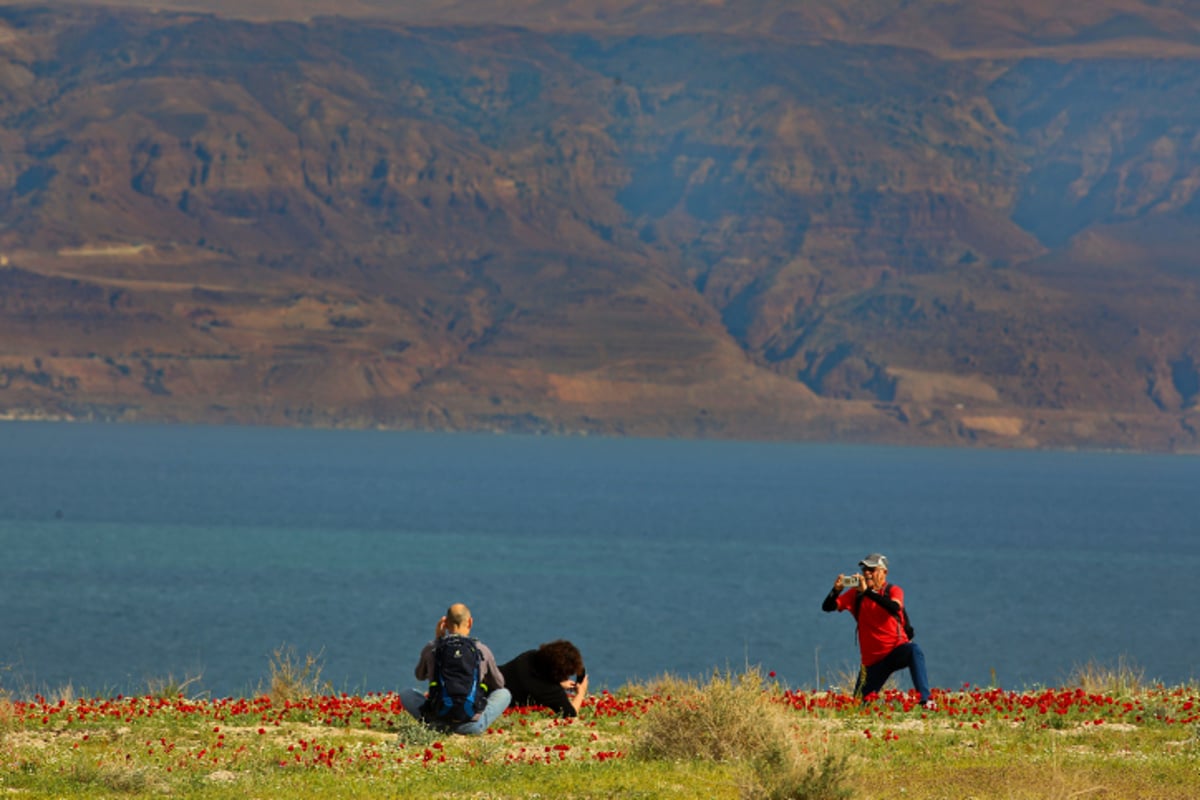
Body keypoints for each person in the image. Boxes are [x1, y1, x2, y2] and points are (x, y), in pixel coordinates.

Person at [821, 553, 935, 710]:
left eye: (872, 569)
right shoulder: (856, 594)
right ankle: (882, 704)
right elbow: (827, 607)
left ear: (884, 572)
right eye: (865, 569)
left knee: (914, 650)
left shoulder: (893, 590)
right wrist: (836, 590)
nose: (867, 572)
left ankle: (925, 699)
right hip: (871, 663)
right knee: (859, 706)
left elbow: (894, 607)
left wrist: (868, 592)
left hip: (895, 651)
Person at [398, 603, 512, 734]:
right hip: (471, 724)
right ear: (470, 622)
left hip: (438, 718)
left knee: (406, 693)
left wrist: (437, 640)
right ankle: (475, 723)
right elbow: (499, 684)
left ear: (445, 623)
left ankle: (433, 724)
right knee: (504, 694)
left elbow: (419, 675)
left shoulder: (432, 648)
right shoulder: (481, 650)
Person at [499, 639, 589, 718]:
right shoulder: (550, 690)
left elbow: (534, 677)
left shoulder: (529, 656)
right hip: (496, 698)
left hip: (491, 678)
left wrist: (559, 684)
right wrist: (581, 693)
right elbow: (570, 714)